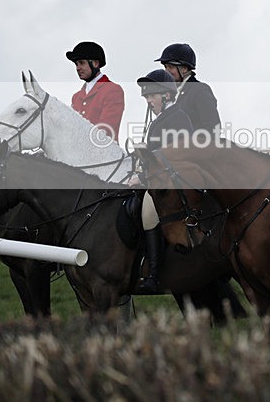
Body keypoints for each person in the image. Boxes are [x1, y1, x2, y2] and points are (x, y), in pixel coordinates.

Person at [130, 69, 192, 293]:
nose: (148, 101)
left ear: (166, 95)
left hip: (174, 184)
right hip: (158, 179)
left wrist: (142, 177)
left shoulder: (179, 118)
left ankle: (154, 276)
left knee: (148, 213)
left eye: (152, 96)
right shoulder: (159, 121)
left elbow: (173, 158)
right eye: (146, 97)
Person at [65, 41, 125, 142]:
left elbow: (105, 128)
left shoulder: (113, 90)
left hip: (104, 149)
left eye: (82, 63)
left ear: (95, 63)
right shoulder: (76, 97)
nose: (78, 68)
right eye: (76, 64)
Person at [154, 43, 221, 132]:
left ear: (184, 68)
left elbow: (213, 129)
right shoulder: (170, 95)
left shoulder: (200, 91)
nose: (166, 71)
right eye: (165, 67)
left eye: (170, 67)